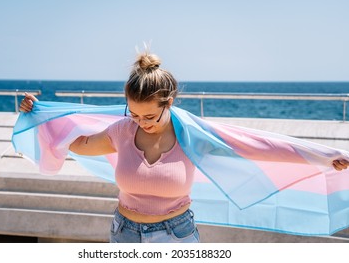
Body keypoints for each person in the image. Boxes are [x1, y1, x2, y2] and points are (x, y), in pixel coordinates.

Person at [19, 50, 349, 243]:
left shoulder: (192, 135)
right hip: (124, 232)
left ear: (170, 102)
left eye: (149, 115)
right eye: (133, 114)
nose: (140, 122)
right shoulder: (121, 131)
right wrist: (39, 115)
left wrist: (323, 156)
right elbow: (78, 143)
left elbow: (258, 146)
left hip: (176, 236)